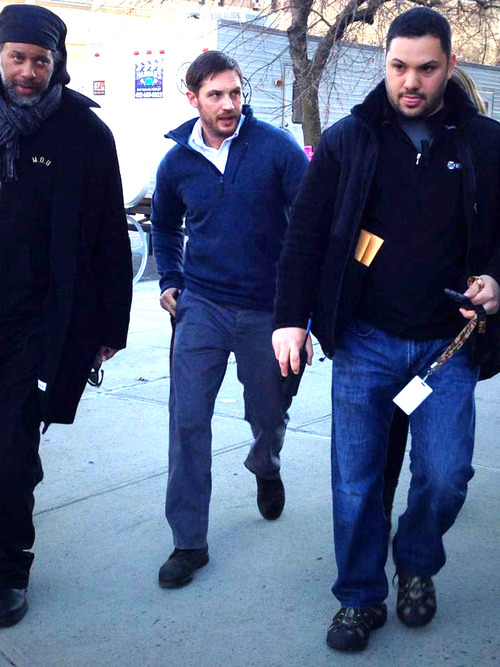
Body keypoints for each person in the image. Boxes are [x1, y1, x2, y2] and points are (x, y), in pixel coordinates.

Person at [273, 7, 500, 652]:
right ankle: (358, 596)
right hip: (366, 342)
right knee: (356, 480)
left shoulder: (485, 143)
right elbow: (305, 234)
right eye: (398, 66)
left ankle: (416, 561)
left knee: (446, 475)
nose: (411, 82)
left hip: (447, 349)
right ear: (384, 63)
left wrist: (496, 280)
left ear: (449, 66)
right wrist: (289, 319)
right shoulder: (350, 140)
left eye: (426, 68)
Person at [151, 50, 310, 588]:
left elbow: (309, 223)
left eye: (235, 93)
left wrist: (302, 312)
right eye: (215, 95)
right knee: (187, 420)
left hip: (267, 309)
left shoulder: (276, 149)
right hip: (202, 306)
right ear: (192, 99)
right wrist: (170, 279)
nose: (228, 104)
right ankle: (188, 542)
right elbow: (164, 226)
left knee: (268, 412)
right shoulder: (176, 164)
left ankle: (266, 464)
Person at [0, 4, 132, 627]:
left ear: (57, 63)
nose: (27, 72)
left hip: (37, 323)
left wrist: (108, 326)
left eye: (40, 60)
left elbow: (108, 235)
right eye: (16, 58)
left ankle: (9, 570)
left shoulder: (84, 133)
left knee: (11, 452)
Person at [382, 65, 489, 531]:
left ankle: (409, 517)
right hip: (394, 328)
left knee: (437, 455)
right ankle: (388, 512)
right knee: (397, 431)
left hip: (448, 336)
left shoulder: (479, 153)